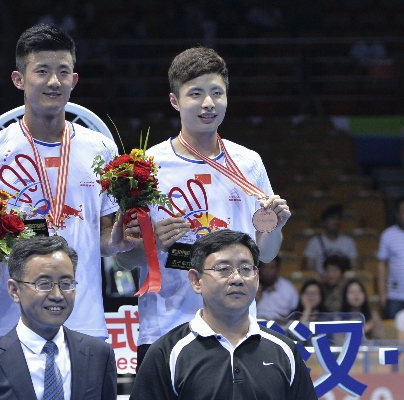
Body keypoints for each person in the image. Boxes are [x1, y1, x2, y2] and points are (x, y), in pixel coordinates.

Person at [115, 46, 291, 367]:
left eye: (216, 93)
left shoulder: (248, 163)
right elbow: (125, 259)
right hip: (166, 328)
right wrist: (154, 243)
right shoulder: (147, 166)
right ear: (175, 100)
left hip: (236, 329)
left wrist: (275, 227)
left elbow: (265, 254)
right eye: (195, 94)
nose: (208, 103)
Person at [0, 24, 133, 343]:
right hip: (10, 326)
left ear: (74, 80)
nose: (54, 81)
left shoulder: (101, 149)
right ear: (19, 79)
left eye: (63, 72)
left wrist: (119, 241)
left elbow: (104, 237)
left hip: (84, 323)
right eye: (42, 71)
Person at [130, 230, 316, 400]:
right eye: (223, 269)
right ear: (196, 280)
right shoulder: (166, 353)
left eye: (246, 269)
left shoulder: (285, 350)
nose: (237, 279)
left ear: (257, 278)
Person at [0, 235, 117, 399]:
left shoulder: (99, 355)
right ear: (14, 290)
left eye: (66, 284)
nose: (57, 295)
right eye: (43, 284)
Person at [303, 204, 358, 274]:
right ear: (324, 222)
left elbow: (355, 267)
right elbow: (309, 269)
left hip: (342, 279)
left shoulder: (348, 241)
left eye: (338, 218)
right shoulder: (314, 242)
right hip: (321, 279)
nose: (336, 221)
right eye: (332, 218)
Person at [377, 196, 404, 319]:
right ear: (398, 214)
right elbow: (382, 266)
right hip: (395, 296)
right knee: (392, 329)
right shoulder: (387, 235)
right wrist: (382, 293)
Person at [255, 255, 299, 320]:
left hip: (282, 324)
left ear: (278, 269)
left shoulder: (287, 288)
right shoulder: (252, 287)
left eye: (272, 267)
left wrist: (286, 319)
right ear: (259, 268)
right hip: (256, 322)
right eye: (265, 267)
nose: (268, 271)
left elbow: (295, 311)